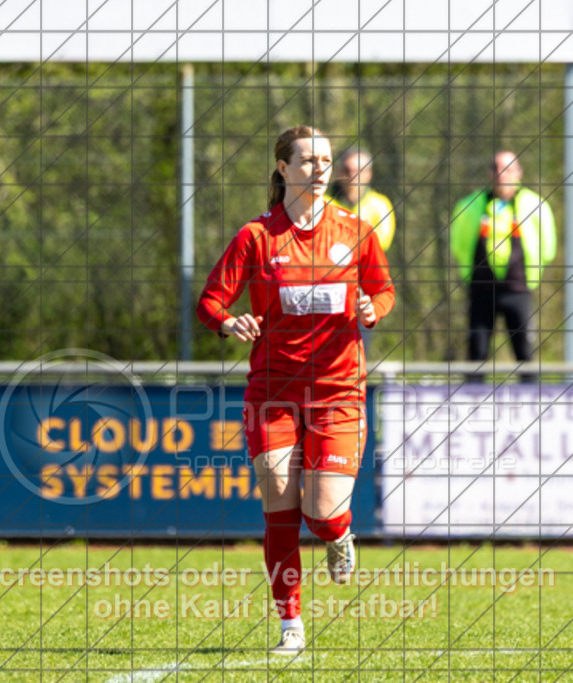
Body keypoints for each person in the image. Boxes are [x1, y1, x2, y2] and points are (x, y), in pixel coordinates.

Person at [197, 126, 395, 656]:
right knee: (280, 512)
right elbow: (209, 302)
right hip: (272, 393)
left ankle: (339, 536)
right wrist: (227, 322)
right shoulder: (256, 237)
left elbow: (383, 288)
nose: (322, 168)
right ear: (283, 168)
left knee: (323, 513)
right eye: (309, 160)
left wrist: (374, 309)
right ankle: (291, 626)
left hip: (338, 392)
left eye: (327, 160)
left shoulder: (355, 229)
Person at [449, 150, 556, 381]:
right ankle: (474, 406)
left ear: (519, 172)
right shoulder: (470, 205)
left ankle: (531, 405)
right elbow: (458, 244)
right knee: (476, 352)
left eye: (507, 169)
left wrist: (533, 273)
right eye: (496, 168)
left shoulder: (534, 205)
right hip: (481, 289)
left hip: (518, 289)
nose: (501, 174)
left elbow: (548, 245)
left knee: (524, 352)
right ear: (489, 173)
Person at [327, 146, 396, 253]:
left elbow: (381, 243)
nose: (352, 175)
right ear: (337, 172)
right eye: (347, 170)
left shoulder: (380, 204)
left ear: (369, 173)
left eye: (359, 170)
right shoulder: (321, 202)